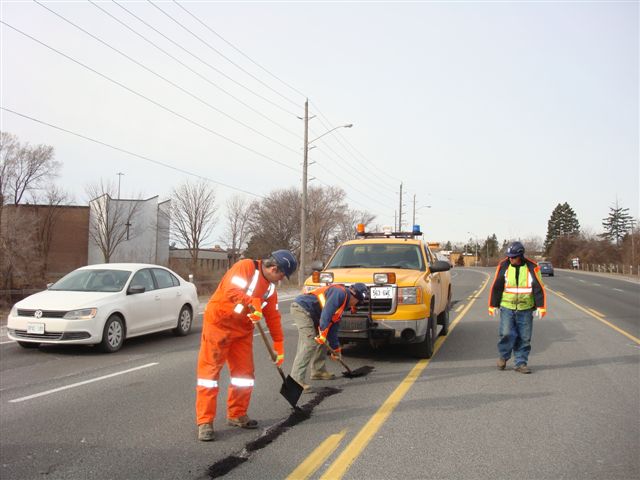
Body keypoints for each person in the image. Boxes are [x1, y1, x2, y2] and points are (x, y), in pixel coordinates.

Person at [195, 249, 297, 441]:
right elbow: (231, 290)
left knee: (244, 375)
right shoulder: (245, 267)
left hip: (242, 331)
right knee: (209, 376)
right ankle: (205, 421)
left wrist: (279, 344)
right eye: (282, 274)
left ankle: (237, 414)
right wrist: (252, 303)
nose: (282, 278)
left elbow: (273, 317)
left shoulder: (270, 289)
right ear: (274, 268)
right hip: (219, 325)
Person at [289, 283, 368, 389]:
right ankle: (295, 380)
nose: (355, 305)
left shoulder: (342, 305)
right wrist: (323, 331)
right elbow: (326, 314)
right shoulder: (339, 293)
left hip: (314, 314)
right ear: (355, 296)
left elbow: (333, 329)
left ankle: (318, 371)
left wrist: (336, 349)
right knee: (309, 344)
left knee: (323, 340)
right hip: (302, 309)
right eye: (358, 303)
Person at [488, 241, 547, 374]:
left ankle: (521, 363)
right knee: (507, 333)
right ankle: (503, 356)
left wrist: (541, 306)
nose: (510, 259)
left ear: (520, 256)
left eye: (513, 257)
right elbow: (497, 286)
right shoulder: (504, 266)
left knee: (524, 337)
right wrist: (493, 304)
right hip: (507, 307)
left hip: (525, 308)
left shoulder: (532, 267)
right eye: (509, 256)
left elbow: (539, 287)